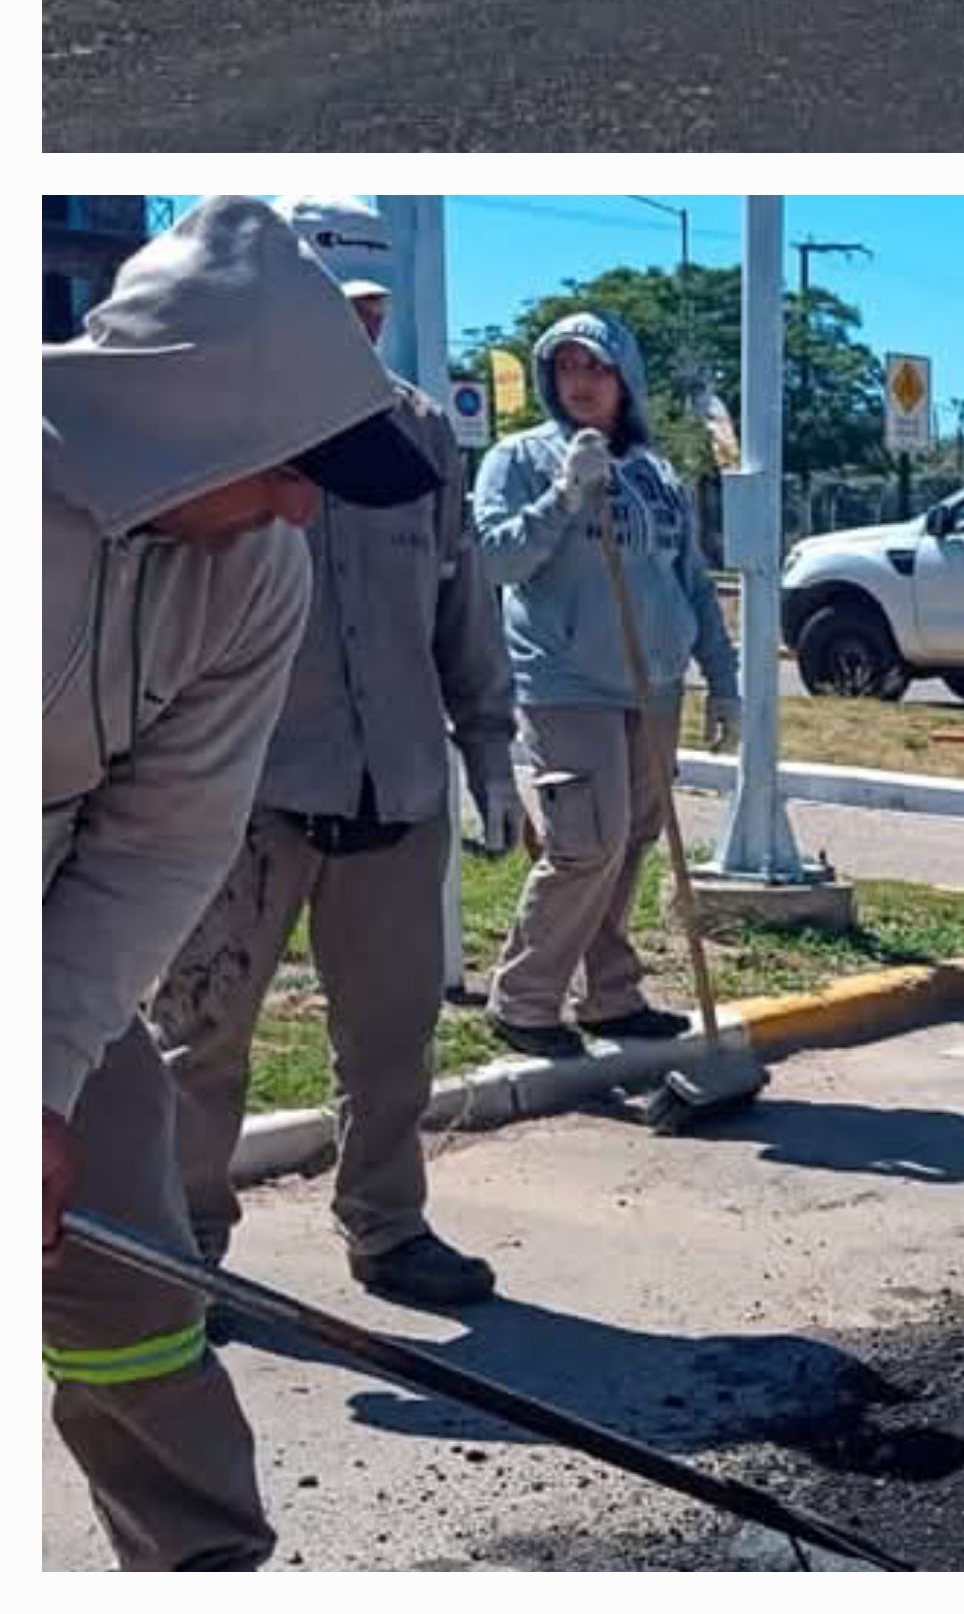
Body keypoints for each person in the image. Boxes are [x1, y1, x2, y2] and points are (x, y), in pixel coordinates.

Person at [44, 196, 439, 1571]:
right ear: (186, 422)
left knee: (130, 1273)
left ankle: (201, 1563)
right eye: (284, 463)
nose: (302, 503)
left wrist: (36, 1080)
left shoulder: (256, 571)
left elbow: (157, 844)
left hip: (54, 916)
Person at [152, 199, 521, 1319]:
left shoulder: (417, 439)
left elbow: (461, 606)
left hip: (395, 790)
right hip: (245, 793)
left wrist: (489, 751)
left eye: (367, 311)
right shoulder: (217, 431)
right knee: (201, 1037)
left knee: (391, 1040)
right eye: (332, 308)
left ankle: (389, 1228)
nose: (352, 332)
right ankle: (182, 1249)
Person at [477, 313, 740, 1060]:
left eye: (595, 368)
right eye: (566, 369)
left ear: (625, 377)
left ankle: (611, 995)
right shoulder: (520, 458)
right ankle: (524, 999)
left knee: (630, 842)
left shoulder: (655, 473)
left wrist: (722, 681)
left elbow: (689, 580)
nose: (581, 383)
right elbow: (495, 560)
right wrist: (563, 496)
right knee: (585, 844)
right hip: (567, 681)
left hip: (654, 684)